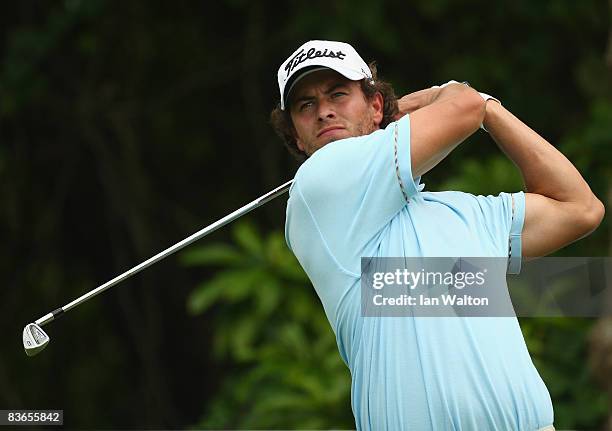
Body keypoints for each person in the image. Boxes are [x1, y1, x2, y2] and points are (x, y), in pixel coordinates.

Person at [270, 40, 605, 430]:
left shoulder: (465, 212)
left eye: (338, 94)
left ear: (376, 106)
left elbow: (580, 209)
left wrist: (490, 110)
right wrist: (462, 100)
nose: (324, 111)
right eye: (305, 106)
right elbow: (462, 108)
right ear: (296, 137)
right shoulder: (318, 186)